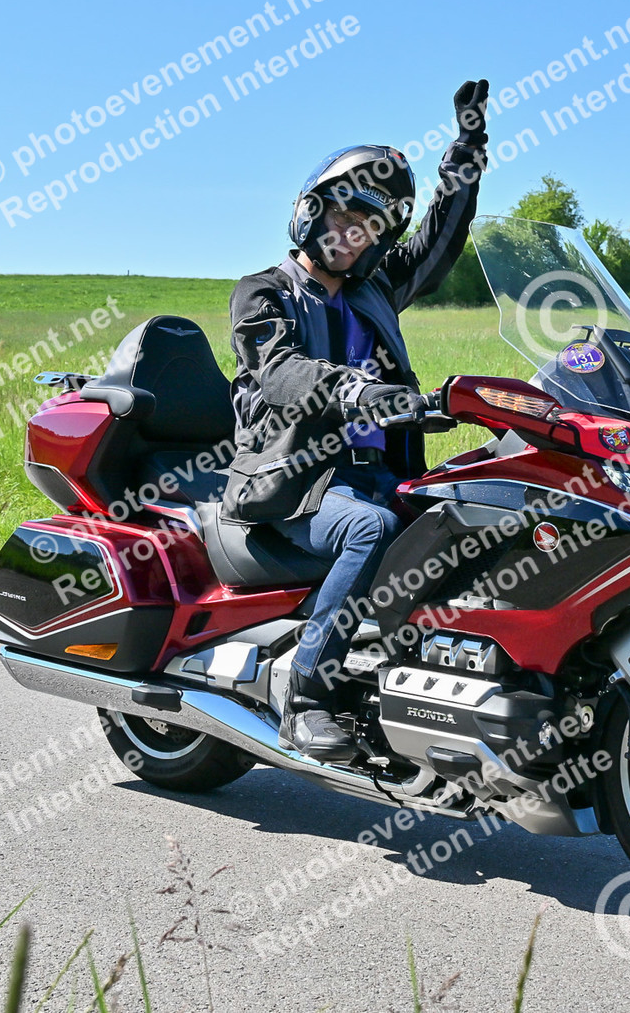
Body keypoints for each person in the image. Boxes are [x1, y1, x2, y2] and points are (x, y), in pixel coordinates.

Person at [221, 79, 489, 761]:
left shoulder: (375, 290)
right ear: (313, 213)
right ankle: (306, 697)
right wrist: (353, 391)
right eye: (346, 217)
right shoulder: (264, 292)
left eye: (370, 228)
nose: (354, 235)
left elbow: (440, 240)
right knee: (369, 528)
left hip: (380, 475)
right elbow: (277, 371)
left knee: (478, 513)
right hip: (298, 484)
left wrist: (466, 151)